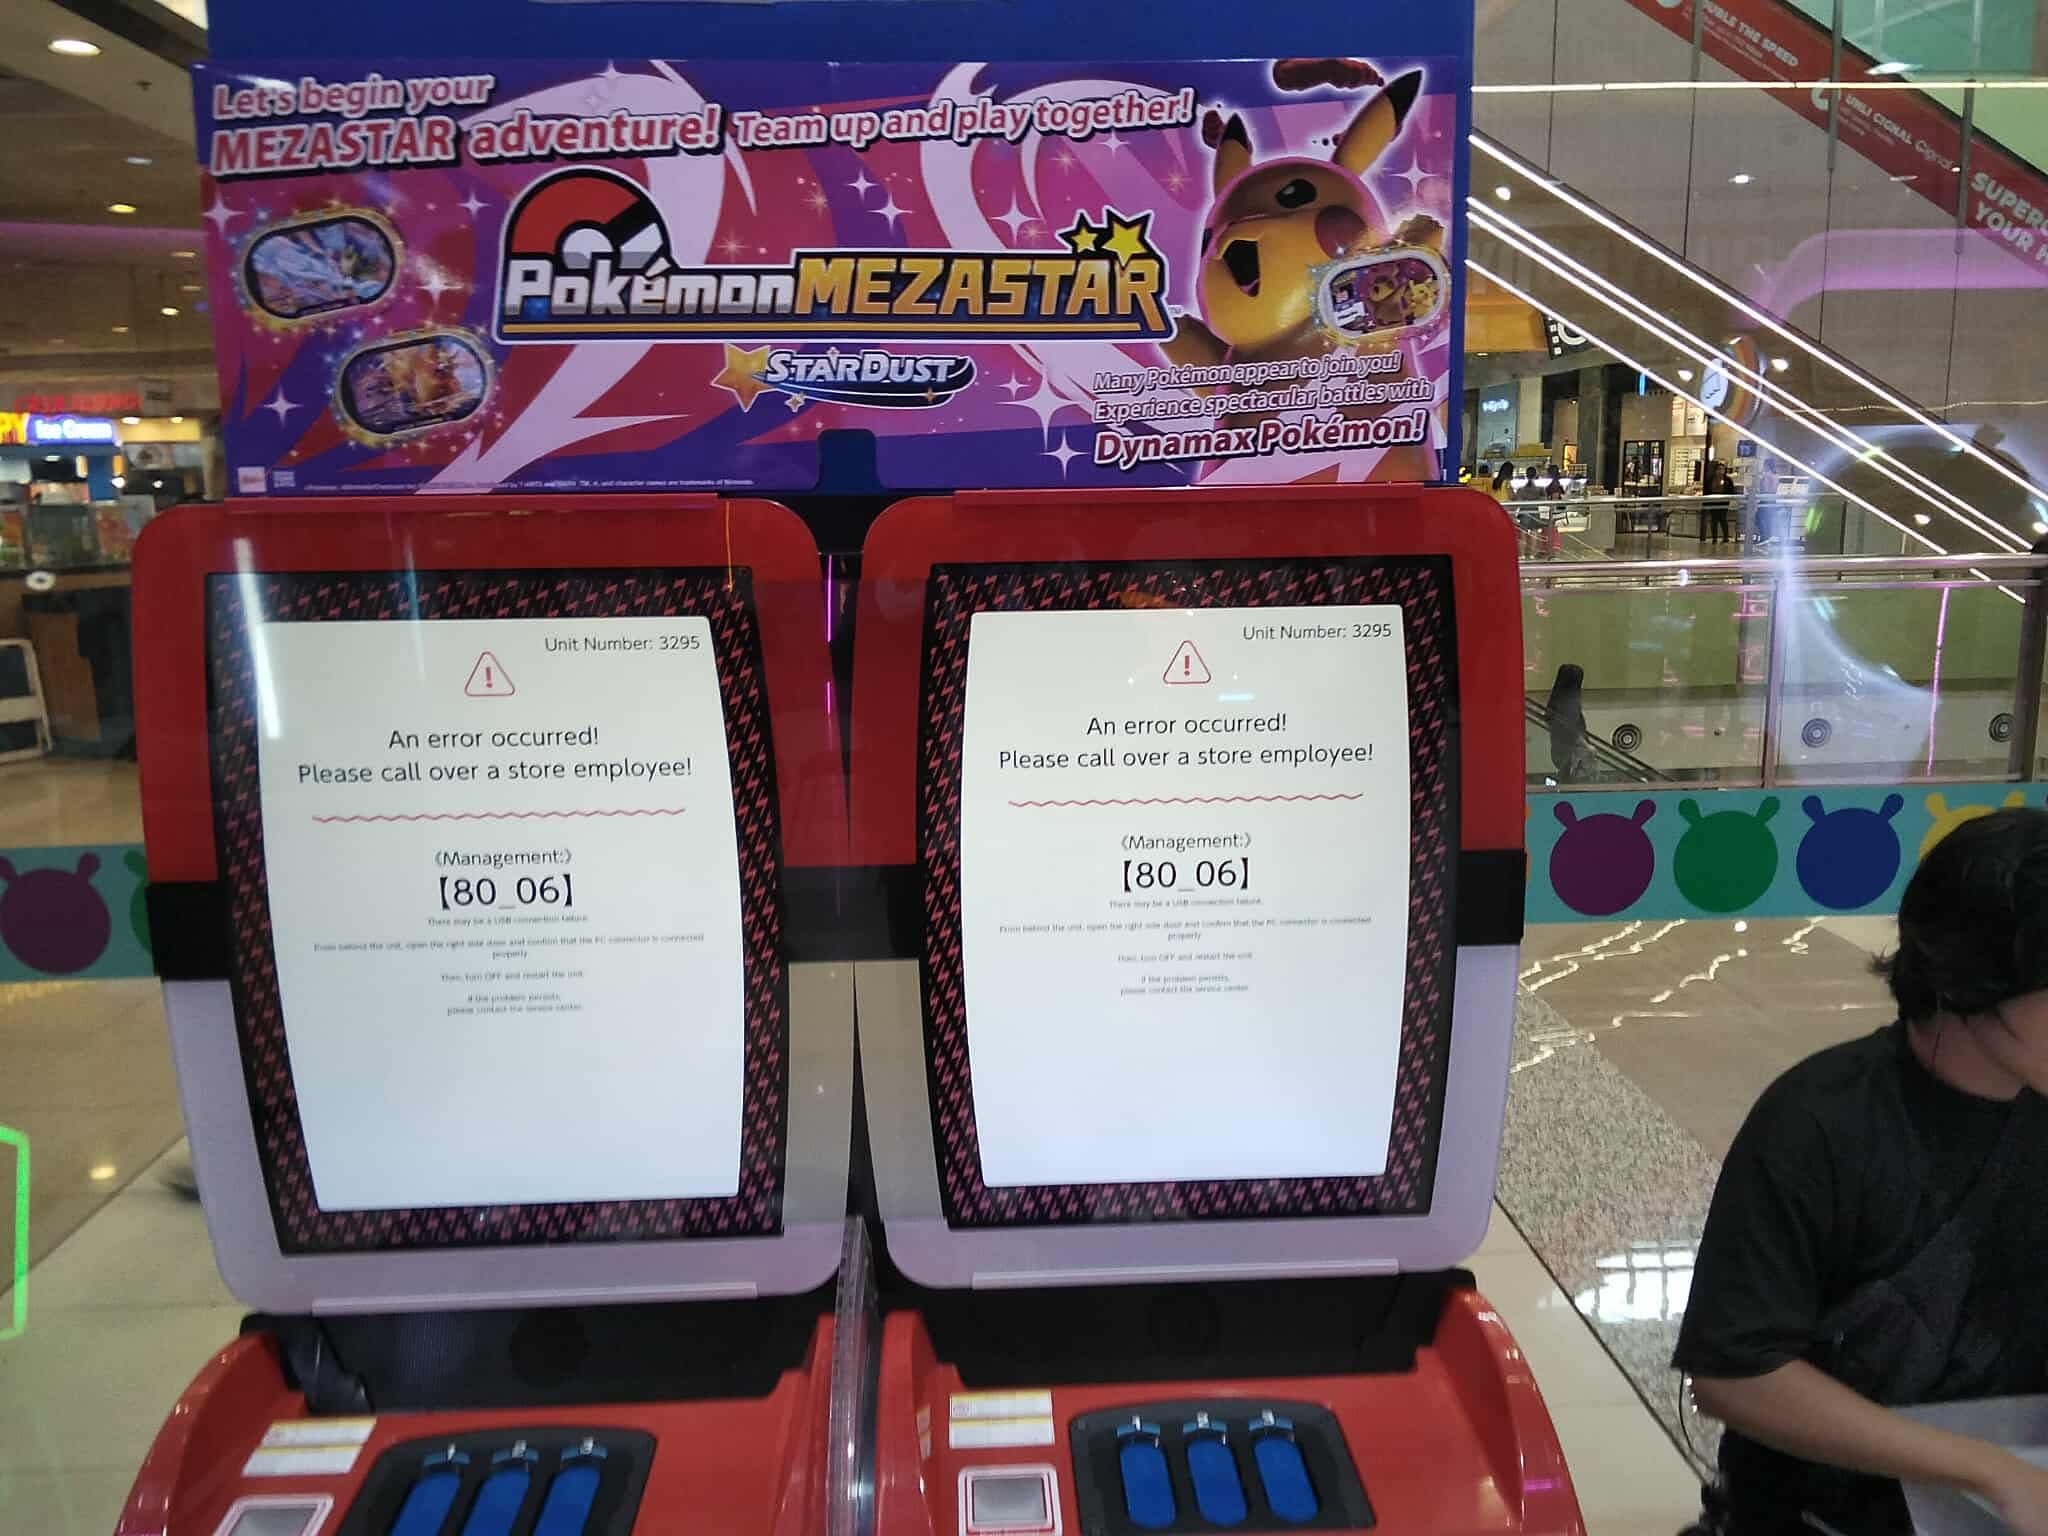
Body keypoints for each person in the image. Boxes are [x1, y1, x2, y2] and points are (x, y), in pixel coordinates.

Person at [1675, 807, 2048, 1536]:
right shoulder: (1820, 1124)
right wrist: (1987, 1470)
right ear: (1970, 980)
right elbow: (1734, 1373)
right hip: (1827, 1513)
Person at [1544, 663, 1594, 782]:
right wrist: (1587, 746)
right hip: (1570, 754)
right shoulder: (1570, 702)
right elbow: (1571, 729)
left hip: (1559, 750)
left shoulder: (1556, 700)